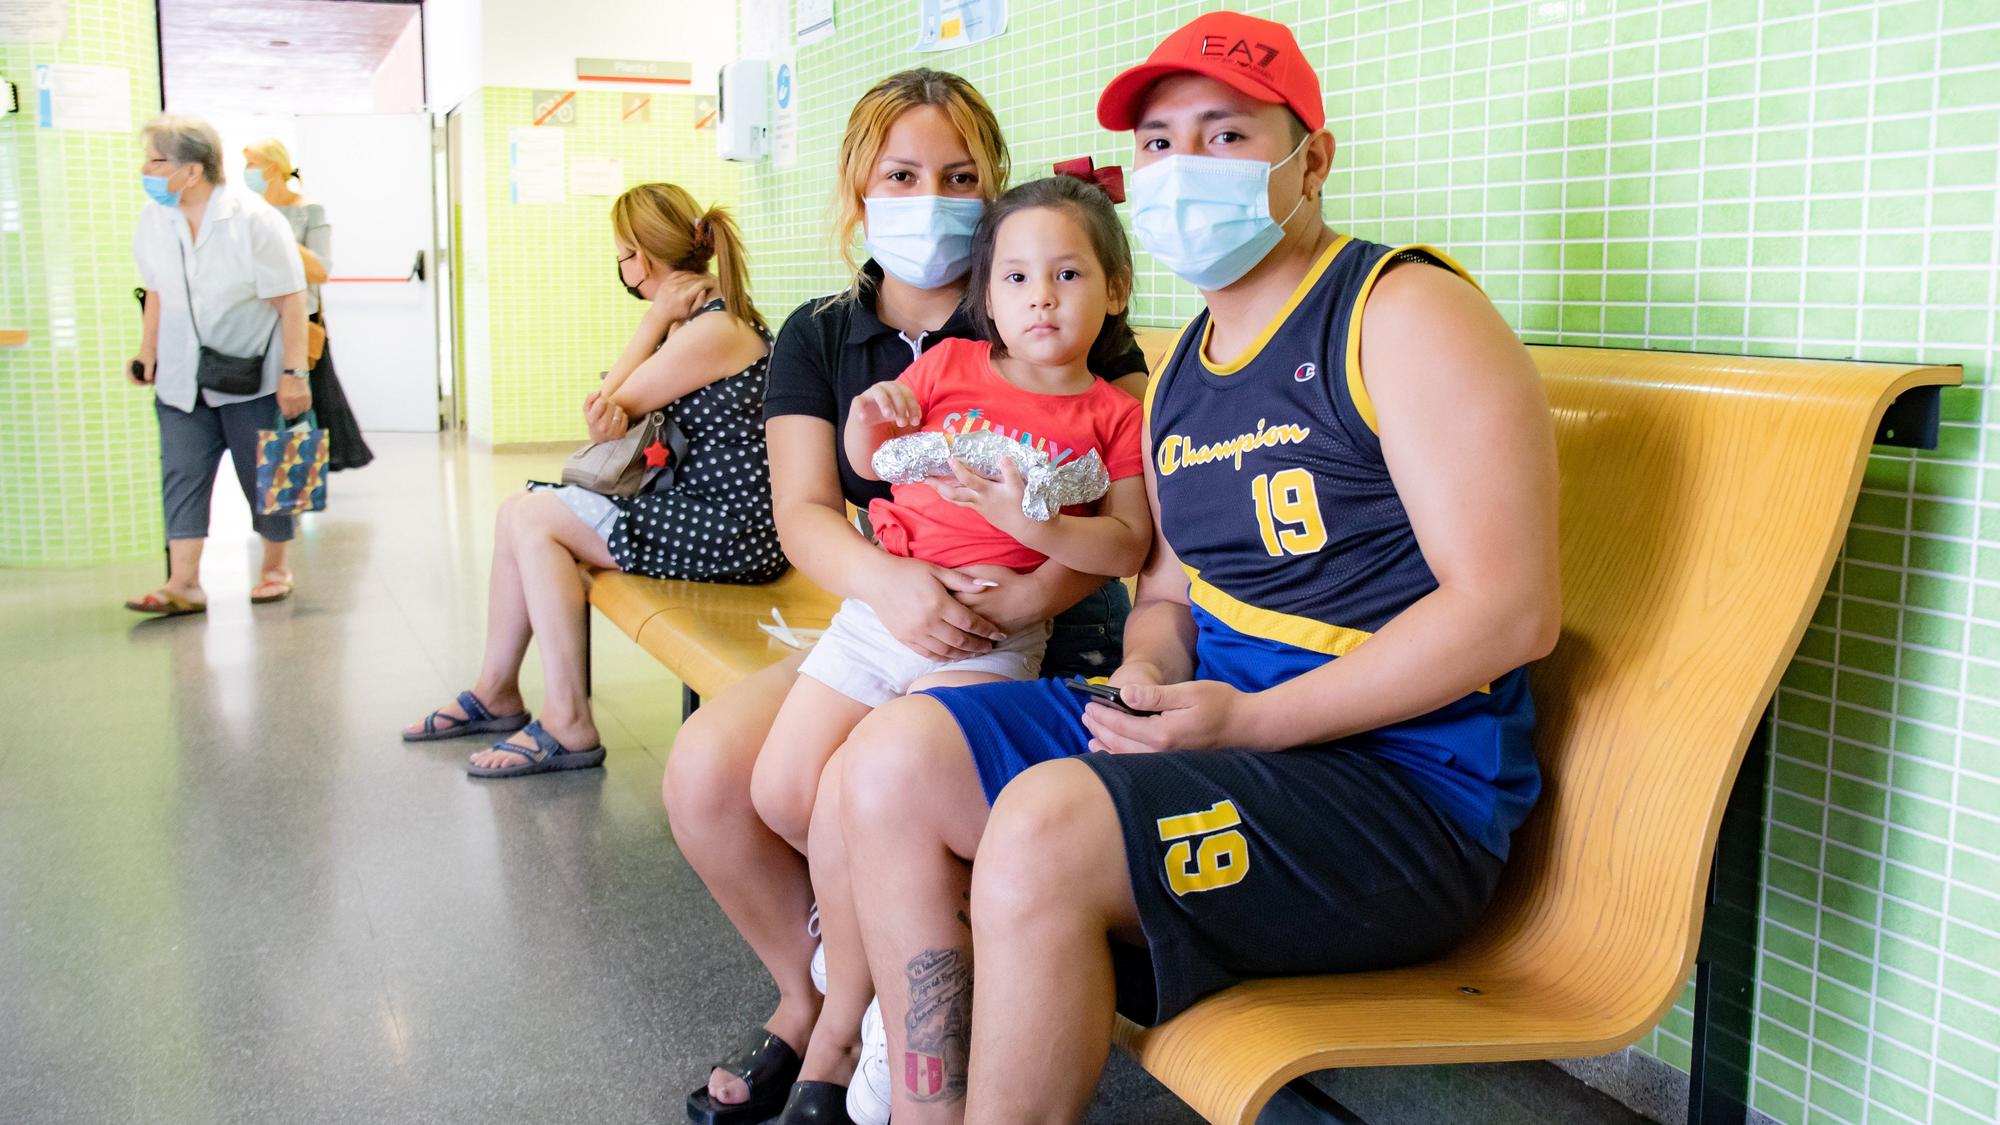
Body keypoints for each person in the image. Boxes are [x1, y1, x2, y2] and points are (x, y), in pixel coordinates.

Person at [834, 13, 1563, 1123]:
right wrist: (1146, 668)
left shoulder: (1400, 313)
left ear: (1308, 160)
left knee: (1043, 826)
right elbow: (1166, 594)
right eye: (1160, 145)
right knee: (891, 761)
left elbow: (1508, 612)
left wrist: (1251, 725)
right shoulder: (1179, 375)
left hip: (1402, 794)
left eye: (1224, 138)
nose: (1183, 171)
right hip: (1220, 736)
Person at [667, 69, 1154, 1125]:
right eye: (901, 173)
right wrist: (890, 584)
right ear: (857, 191)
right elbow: (803, 511)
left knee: (857, 788)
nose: (930, 194)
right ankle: (820, 995)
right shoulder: (822, 336)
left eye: (959, 174)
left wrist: (1028, 596)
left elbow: (1124, 518)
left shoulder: (1052, 310)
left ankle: (843, 1038)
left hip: (1024, 633)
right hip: (877, 607)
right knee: (721, 773)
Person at [400, 182, 782, 778]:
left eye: (623, 254)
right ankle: (496, 690)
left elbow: (611, 408)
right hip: (704, 513)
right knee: (516, 515)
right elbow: (610, 417)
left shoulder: (713, 331)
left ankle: (567, 720)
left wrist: (655, 317)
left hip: (735, 532)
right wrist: (658, 327)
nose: (622, 267)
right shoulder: (698, 325)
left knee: (533, 519)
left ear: (643, 258)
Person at [126, 114, 311, 616]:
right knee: (182, 472)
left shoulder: (253, 219)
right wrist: (148, 352)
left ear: (192, 170)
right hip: (181, 378)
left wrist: (294, 374)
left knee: (266, 475)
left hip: (252, 373)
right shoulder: (154, 219)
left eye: (157, 160)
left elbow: (292, 300)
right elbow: (156, 292)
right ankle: (183, 583)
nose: (146, 169)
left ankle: (275, 568)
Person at [243, 137, 373, 472]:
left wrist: (277, 233)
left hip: (302, 320)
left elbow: (320, 270)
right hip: (257, 321)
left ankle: (297, 476)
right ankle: (272, 469)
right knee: (261, 403)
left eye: (252, 164)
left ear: (273, 167)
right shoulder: (247, 212)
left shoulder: (307, 210)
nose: (247, 172)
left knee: (305, 403)